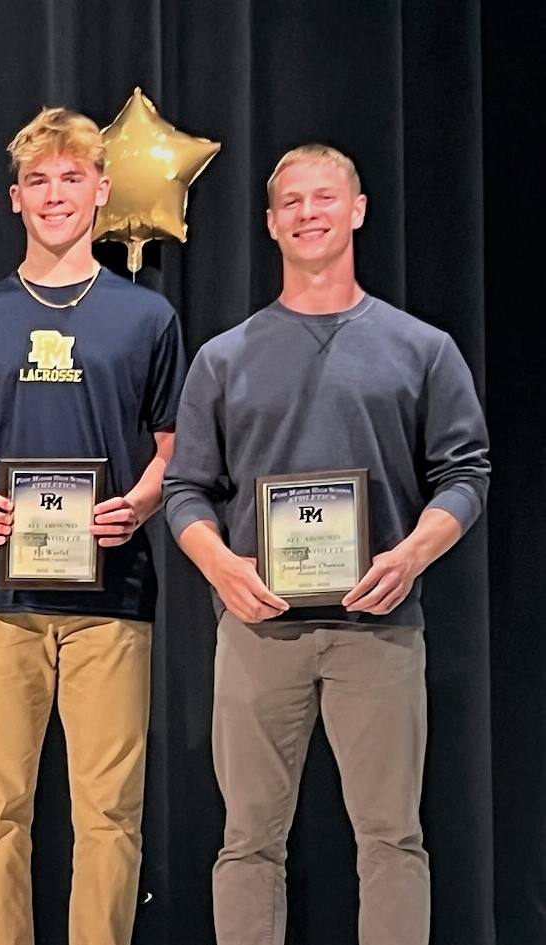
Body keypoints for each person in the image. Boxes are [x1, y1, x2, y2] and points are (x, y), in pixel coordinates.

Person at [164, 144, 489, 945]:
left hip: (377, 629)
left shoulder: (422, 348)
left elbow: (467, 473)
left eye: (325, 197)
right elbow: (184, 489)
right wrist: (221, 564)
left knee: (391, 838)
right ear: (272, 224)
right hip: (255, 629)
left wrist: (411, 553)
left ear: (358, 210)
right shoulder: (223, 358)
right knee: (247, 844)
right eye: (293, 203)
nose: (310, 213)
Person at [0, 107, 185, 945]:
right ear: (15, 198)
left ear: (101, 192)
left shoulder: (147, 318)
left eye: (71, 177)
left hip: (113, 602)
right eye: (38, 180)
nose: (54, 195)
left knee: (109, 814)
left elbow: (173, 450)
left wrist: (141, 503)